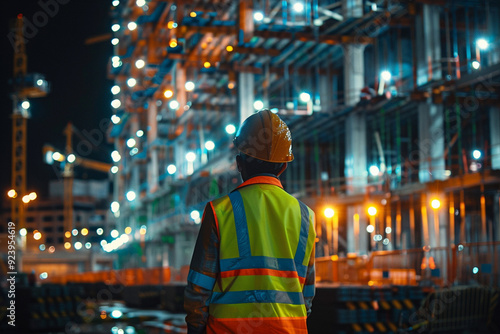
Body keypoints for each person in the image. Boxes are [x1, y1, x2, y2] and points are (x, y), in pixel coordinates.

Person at [184, 109, 316, 334]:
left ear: (239, 163)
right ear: (283, 166)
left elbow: (199, 289)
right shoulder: (306, 215)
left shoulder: (219, 211)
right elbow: (307, 294)